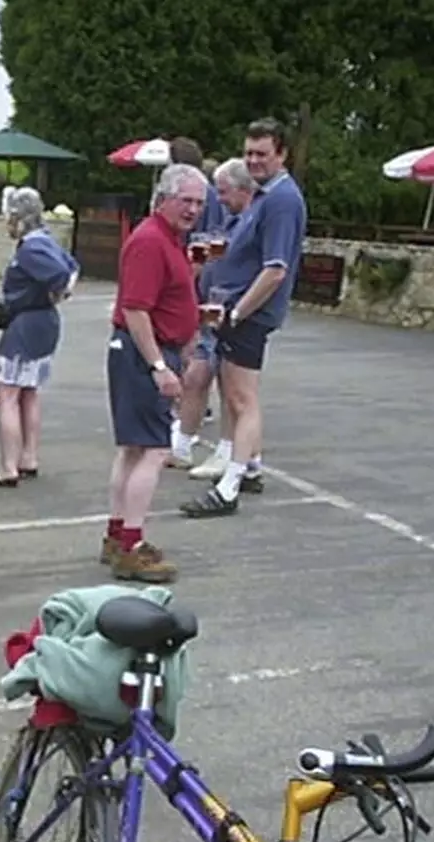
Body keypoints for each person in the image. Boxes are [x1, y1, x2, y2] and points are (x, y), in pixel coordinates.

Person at [179, 117, 307, 518]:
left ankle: (229, 486)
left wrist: (237, 312)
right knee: (235, 395)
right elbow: (234, 247)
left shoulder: (283, 200)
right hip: (232, 310)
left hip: (246, 315)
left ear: (282, 154)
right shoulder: (264, 196)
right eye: (249, 153)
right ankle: (248, 467)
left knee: (240, 398)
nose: (254, 161)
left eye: (262, 154)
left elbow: (275, 268)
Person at [102, 163, 207, 583]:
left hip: (137, 352)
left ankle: (118, 536)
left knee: (133, 448)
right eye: (187, 201)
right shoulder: (150, 241)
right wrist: (160, 366)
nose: (194, 209)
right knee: (153, 449)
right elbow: (135, 308)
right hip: (142, 354)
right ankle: (131, 545)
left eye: (200, 202)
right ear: (164, 198)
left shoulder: (167, 239)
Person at [0, 187, 79, 487]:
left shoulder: (30, 248)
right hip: (44, 322)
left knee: (7, 393)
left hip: (25, 323)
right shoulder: (47, 241)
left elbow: (60, 277)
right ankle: (28, 457)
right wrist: (56, 296)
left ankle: (8, 466)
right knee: (29, 391)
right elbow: (72, 268)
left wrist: (55, 292)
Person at [174, 158, 257, 475]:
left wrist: (236, 307)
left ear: (241, 189)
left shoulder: (250, 221)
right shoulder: (235, 221)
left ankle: (232, 453)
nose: (218, 199)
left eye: (222, 192)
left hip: (230, 310)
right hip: (213, 306)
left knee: (232, 387)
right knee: (198, 376)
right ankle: (183, 444)